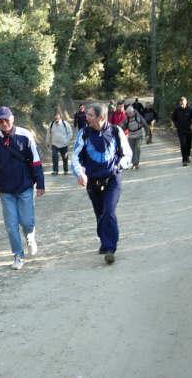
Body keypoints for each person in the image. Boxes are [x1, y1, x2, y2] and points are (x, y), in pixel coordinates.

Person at [72, 103, 132, 264]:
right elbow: (75, 156)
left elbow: (127, 154)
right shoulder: (84, 133)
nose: (87, 118)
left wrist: (118, 166)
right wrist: (80, 173)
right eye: (87, 115)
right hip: (92, 181)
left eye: (91, 115)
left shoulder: (116, 131)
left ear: (101, 117)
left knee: (108, 211)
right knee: (100, 213)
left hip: (112, 179)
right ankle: (104, 241)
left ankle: (110, 247)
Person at [0, 106, 45, 270]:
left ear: (12, 119)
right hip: (6, 191)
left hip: (25, 186)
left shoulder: (25, 135)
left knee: (27, 222)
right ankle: (18, 255)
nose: (4, 123)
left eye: (6, 120)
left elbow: (35, 161)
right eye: (0, 121)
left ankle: (30, 237)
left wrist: (40, 184)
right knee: (11, 226)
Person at [171, 96, 192, 166]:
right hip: (181, 130)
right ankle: (184, 160)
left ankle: (187, 156)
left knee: (189, 145)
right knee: (183, 144)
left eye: (183, 102)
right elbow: (173, 118)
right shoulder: (177, 110)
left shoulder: (190, 110)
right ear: (179, 102)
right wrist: (176, 125)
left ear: (186, 102)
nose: (182, 103)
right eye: (181, 102)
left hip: (189, 130)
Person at [46, 111, 73, 175]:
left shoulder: (65, 124)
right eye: (55, 119)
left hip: (64, 144)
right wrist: (47, 142)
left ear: (60, 117)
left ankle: (66, 171)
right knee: (54, 157)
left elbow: (70, 133)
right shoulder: (51, 124)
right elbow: (48, 134)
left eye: (57, 118)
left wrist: (67, 140)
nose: (56, 120)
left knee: (65, 158)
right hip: (54, 144)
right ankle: (55, 171)